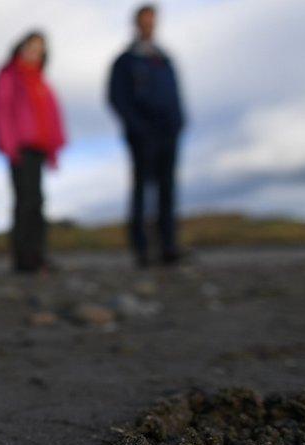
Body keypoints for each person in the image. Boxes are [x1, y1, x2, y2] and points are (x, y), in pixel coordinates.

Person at [109, 4, 185, 267]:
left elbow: (174, 94)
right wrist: (137, 127)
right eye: (145, 21)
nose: (149, 26)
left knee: (167, 189)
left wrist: (179, 122)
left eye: (153, 21)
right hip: (142, 134)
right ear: (136, 24)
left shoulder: (164, 58)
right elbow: (116, 97)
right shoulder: (125, 60)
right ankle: (142, 249)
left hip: (168, 133)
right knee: (142, 189)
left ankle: (168, 245)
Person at [0, 31, 66, 274]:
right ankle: (22, 259)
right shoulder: (10, 75)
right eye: (31, 46)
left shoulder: (41, 81)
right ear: (21, 48)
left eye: (39, 48)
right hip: (20, 148)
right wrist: (9, 144)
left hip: (39, 148)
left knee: (37, 202)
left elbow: (52, 117)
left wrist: (54, 148)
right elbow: (1, 110)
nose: (35, 52)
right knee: (24, 201)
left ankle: (38, 255)